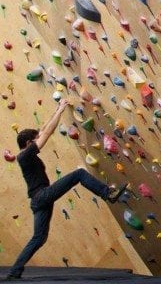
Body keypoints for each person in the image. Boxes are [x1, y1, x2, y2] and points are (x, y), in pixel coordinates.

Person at [5, 99, 128, 281]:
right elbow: (46, 133)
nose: (38, 139)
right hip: (42, 196)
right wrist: (61, 111)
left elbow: (42, 129)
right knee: (79, 174)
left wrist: (57, 108)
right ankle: (107, 193)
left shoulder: (25, 154)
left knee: (39, 238)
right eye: (35, 139)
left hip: (38, 201)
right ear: (29, 142)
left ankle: (14, 272)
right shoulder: (25, 155)